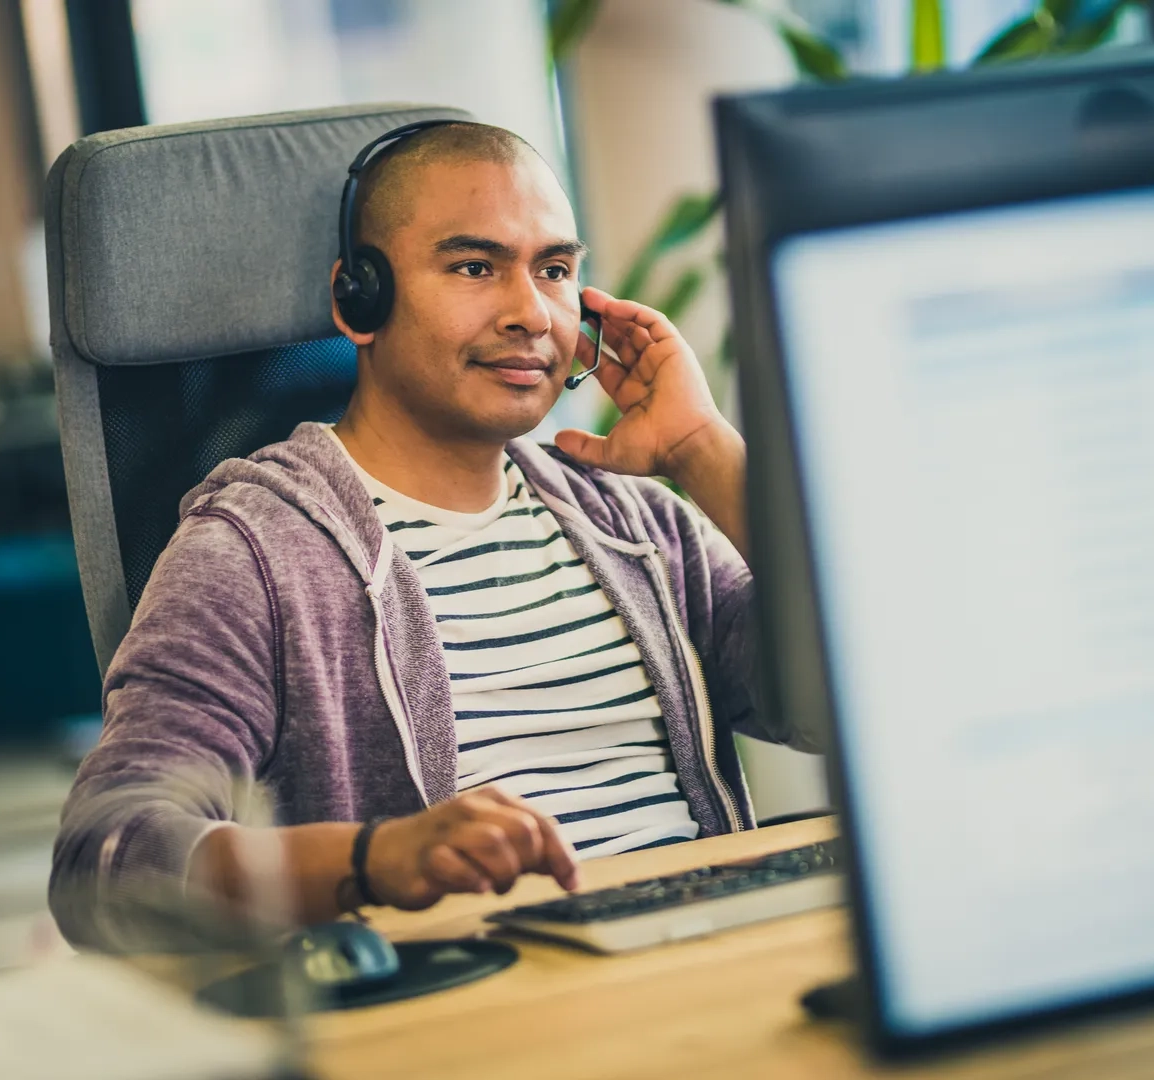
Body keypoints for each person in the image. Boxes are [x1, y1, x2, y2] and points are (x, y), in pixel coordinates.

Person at [49, 122, 815, 946]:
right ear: (358, 300)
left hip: (714, 964)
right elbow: (108, 861)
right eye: (475, 267)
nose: (531, 314)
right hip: (484, 1010)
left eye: (554, 270)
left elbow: (852, 701)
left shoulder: (633, 522)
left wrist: (703, 450)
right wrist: (375, 860)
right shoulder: (255, 550)